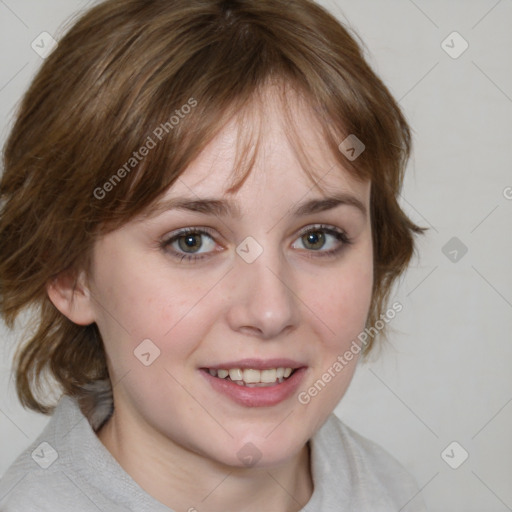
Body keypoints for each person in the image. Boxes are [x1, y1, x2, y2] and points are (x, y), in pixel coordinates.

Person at [0, 0, 427, 510]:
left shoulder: (390, 491)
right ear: (68, 273)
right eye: (192, 241)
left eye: (317, 237)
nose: (271, 311)